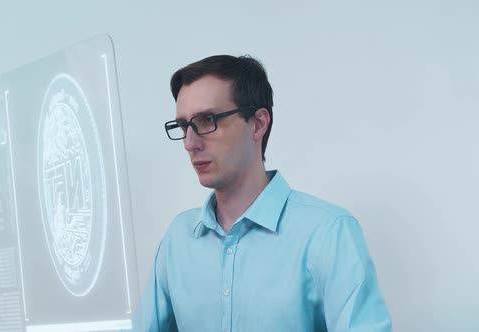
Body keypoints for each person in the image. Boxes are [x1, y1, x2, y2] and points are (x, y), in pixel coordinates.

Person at [135, 55, 392, 331]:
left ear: (258, 123)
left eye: (207, 120)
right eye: (184, 126)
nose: (190, 142)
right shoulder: (178, 239)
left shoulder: (327, 233)